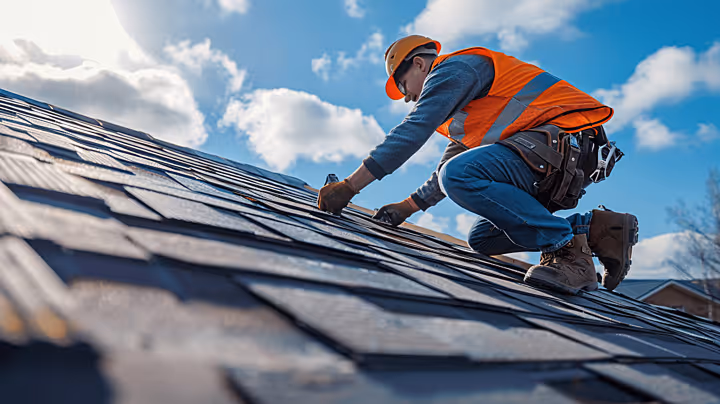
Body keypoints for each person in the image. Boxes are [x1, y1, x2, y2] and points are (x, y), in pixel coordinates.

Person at [317, 35, 638, 294]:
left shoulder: (455, 70)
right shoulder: (467, 110)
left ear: (418, 64)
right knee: (482, 240)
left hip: (562, 146)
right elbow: (448, 168)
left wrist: (350, 185)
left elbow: (414, 130)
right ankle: (593, 228)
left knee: (458, 176)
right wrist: (406, 207)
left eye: (402, 86)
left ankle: (566, 249)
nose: (405, 97)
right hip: (548, 161)